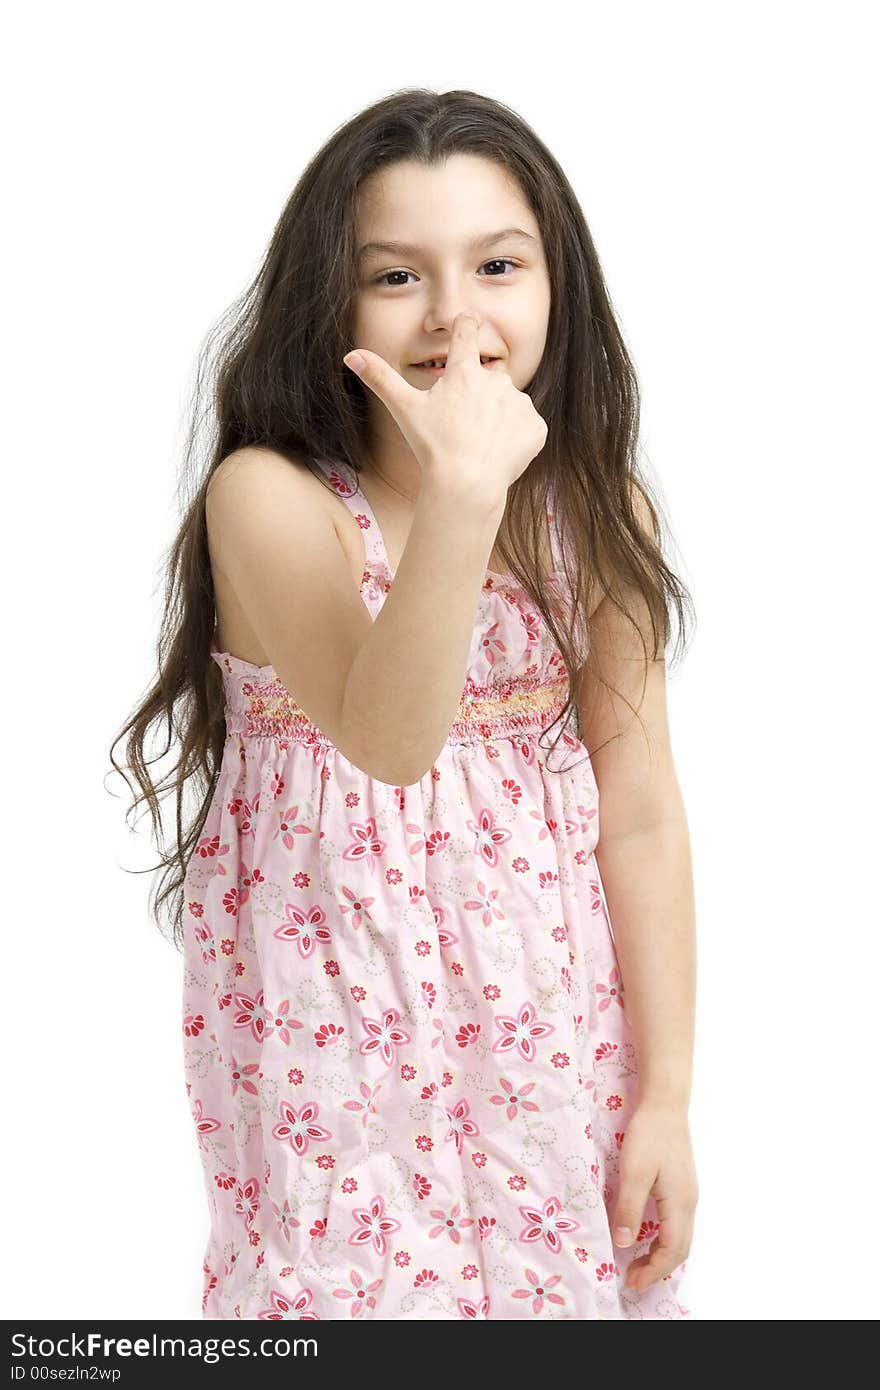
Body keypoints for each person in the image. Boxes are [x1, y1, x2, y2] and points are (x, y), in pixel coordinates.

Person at [112, 88, 698, 1320]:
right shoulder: (270, 500)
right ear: (329, 299)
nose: (454, 313)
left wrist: (666, 1096)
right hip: (334, 1029)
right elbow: (387, 739)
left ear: (557, 285)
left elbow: (637, 813)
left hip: (546, 1032)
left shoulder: (595, 515)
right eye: (395, 275)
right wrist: (465, 491)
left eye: (496, 263)